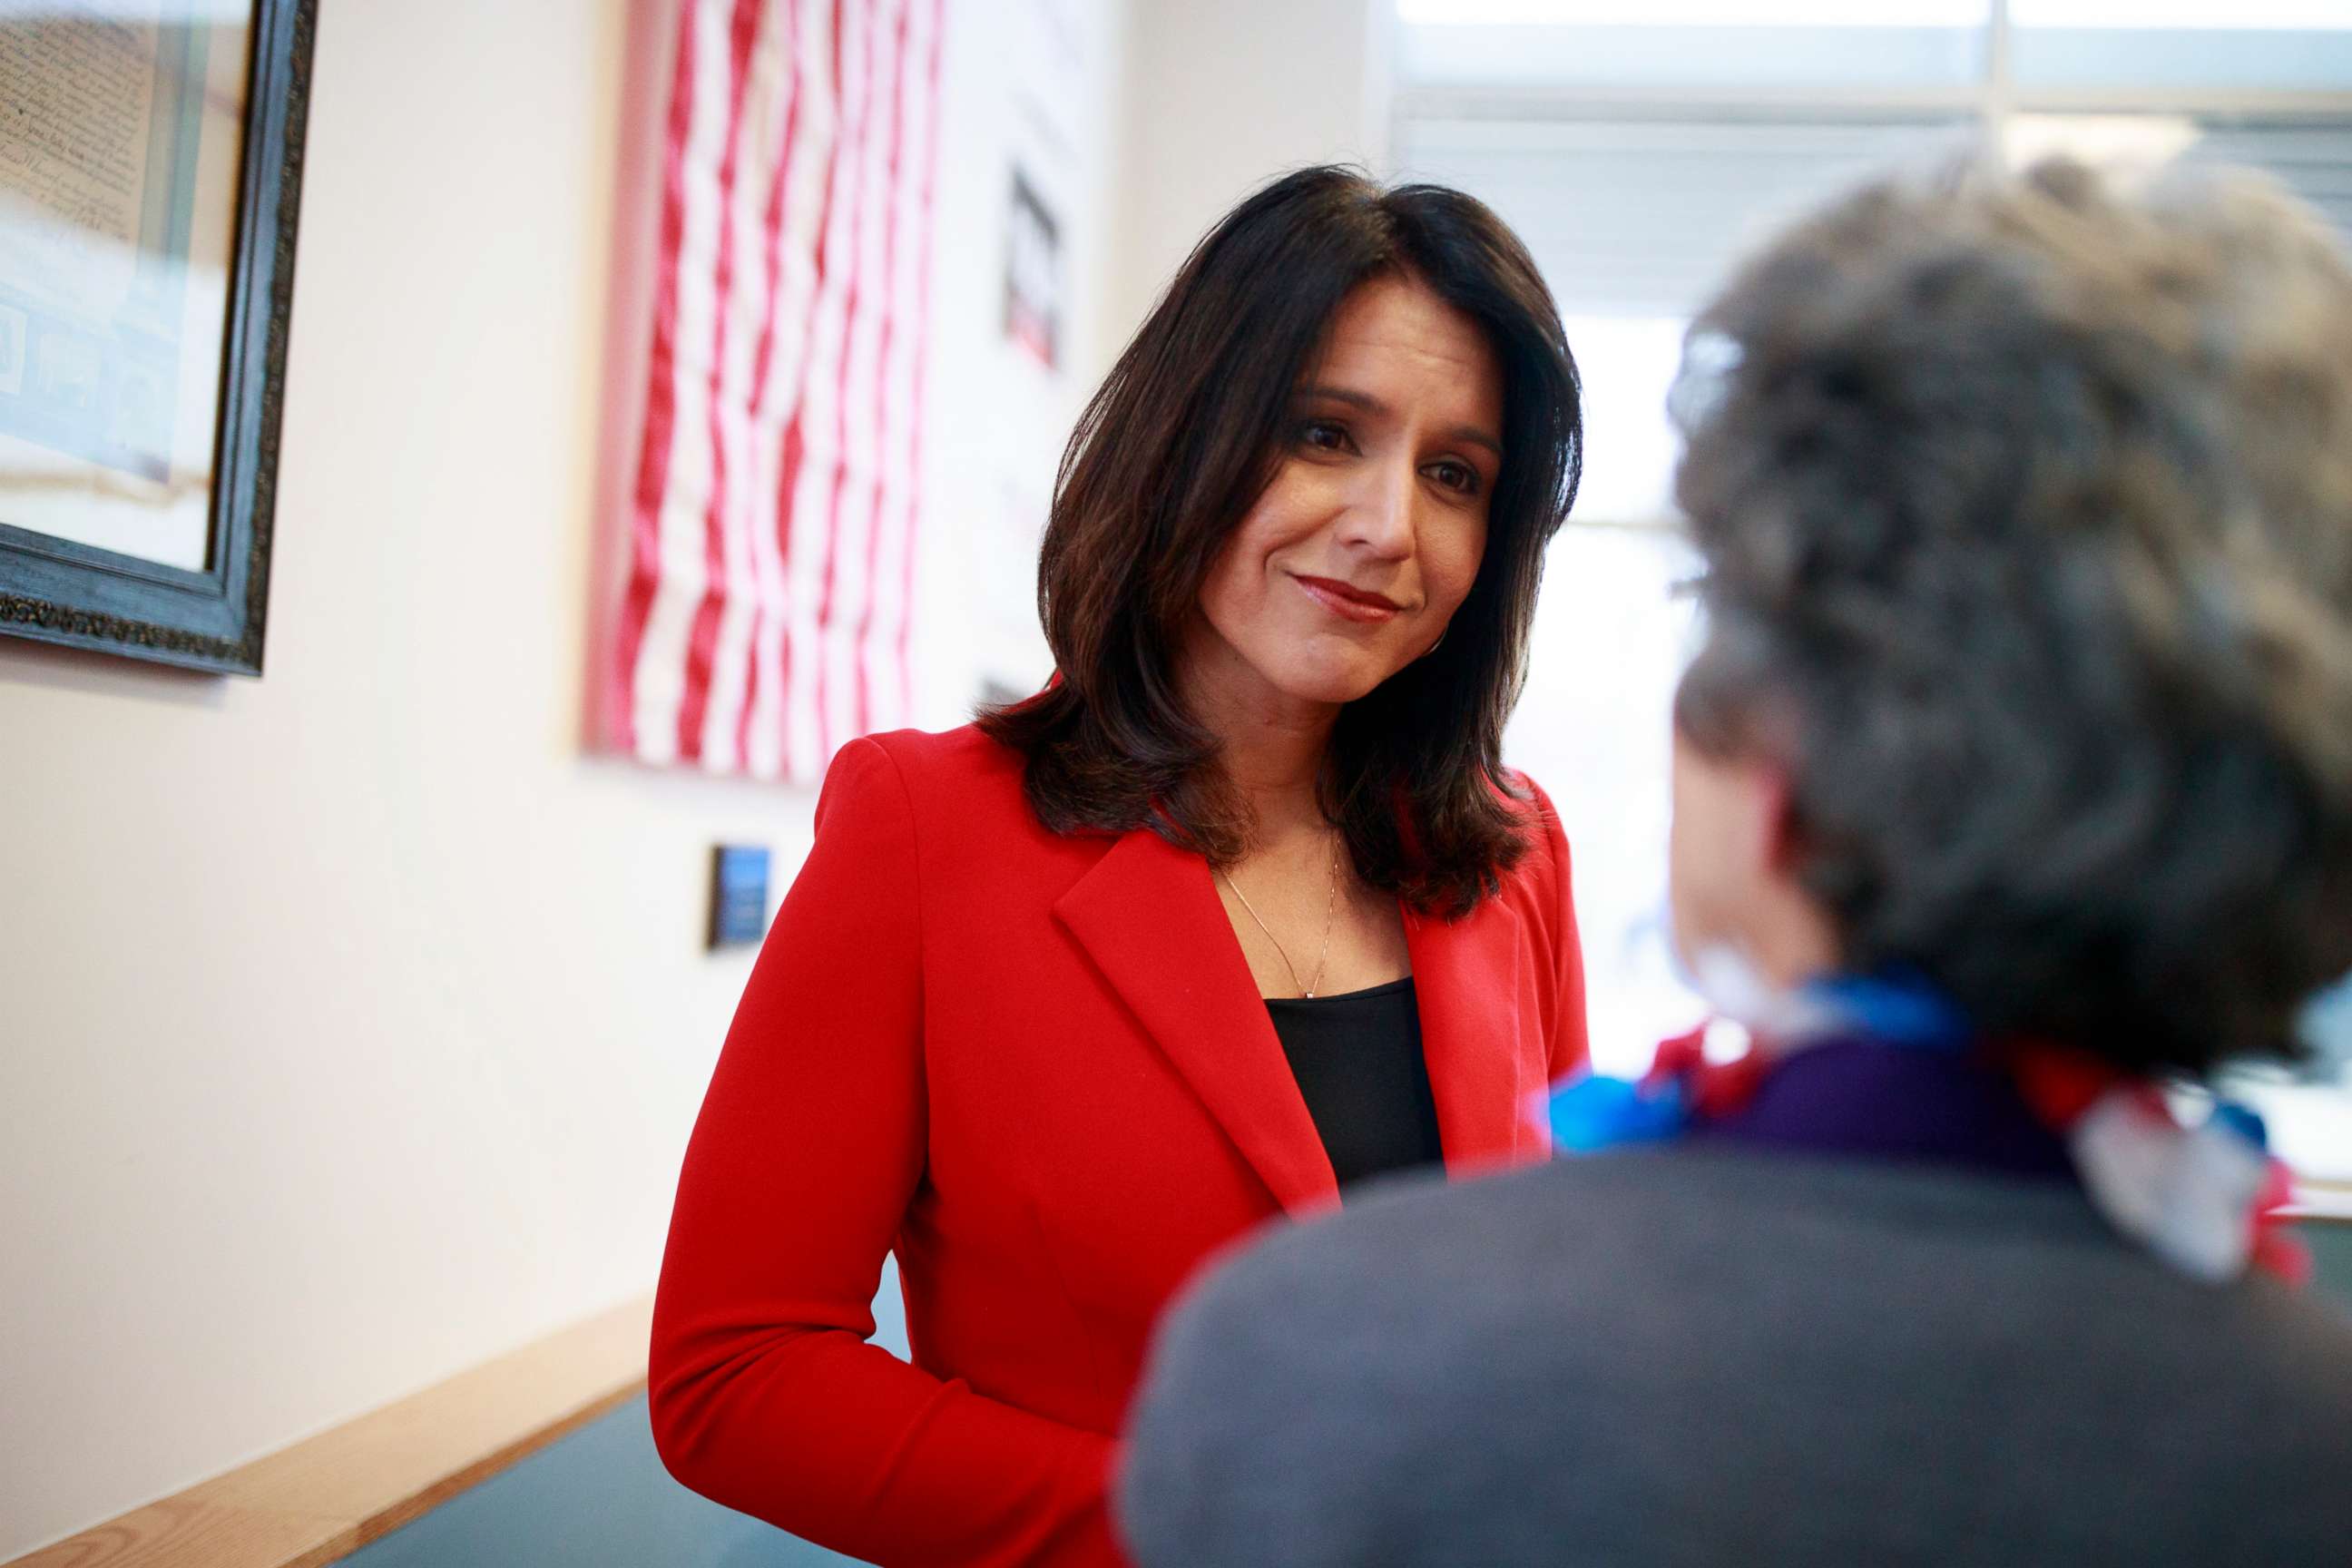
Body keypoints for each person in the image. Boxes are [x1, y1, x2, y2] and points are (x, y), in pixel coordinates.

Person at [1117, 157, 2352, 1567]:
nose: (1389, 526)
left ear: (1771, 776)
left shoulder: (1301, 1373)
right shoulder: (2311, 1439)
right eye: (1325, 434)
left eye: (1719, 613)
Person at [649, 166, 1589, 1567]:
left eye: (1455, 475)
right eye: (1326, 434)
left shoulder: (1512, 851)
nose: (1390, 524)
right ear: (1186, 442)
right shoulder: (923, 828)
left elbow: (1564, 1298)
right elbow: (736, 1371)